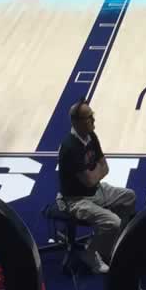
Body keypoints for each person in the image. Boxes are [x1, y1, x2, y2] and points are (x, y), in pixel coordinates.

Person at [56, 100, 135, 274]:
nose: (93, 120)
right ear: (76, 122)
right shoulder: (70, 148)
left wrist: (95, 173)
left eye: (92, 115)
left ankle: (110, 245)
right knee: (113, 222)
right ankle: (90, 253)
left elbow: (105, 167)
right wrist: (96, 172)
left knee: (129, 196)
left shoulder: (91, 136)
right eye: (88, 117)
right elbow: (90, 180)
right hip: (76, 200)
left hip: (97, 190)